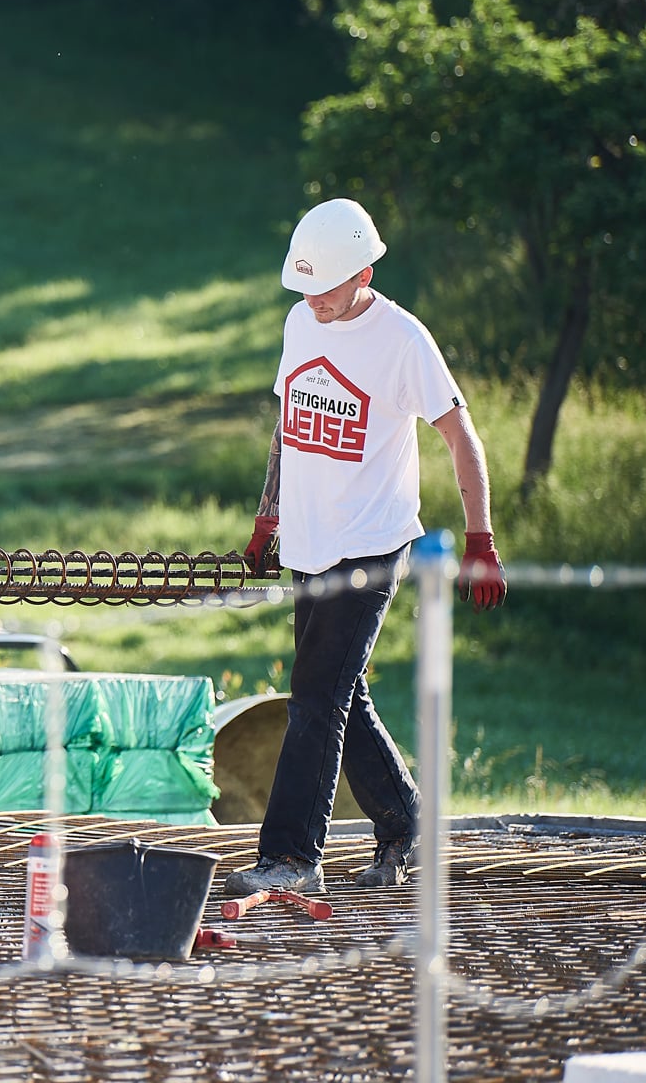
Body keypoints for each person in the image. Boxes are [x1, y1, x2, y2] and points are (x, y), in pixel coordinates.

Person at [224, 197, 506, 897]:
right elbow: (288, 425)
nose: (312, 300)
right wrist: (269, 517)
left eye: (325, 286)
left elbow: (459, 436)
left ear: (365, 273)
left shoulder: (403, 340)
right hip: (311, 543)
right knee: (339, 694)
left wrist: (481, 537)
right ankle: (406, 822)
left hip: (371, 546)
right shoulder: (298, 322)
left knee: (315, 700)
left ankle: (291, 858)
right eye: (304, 286)